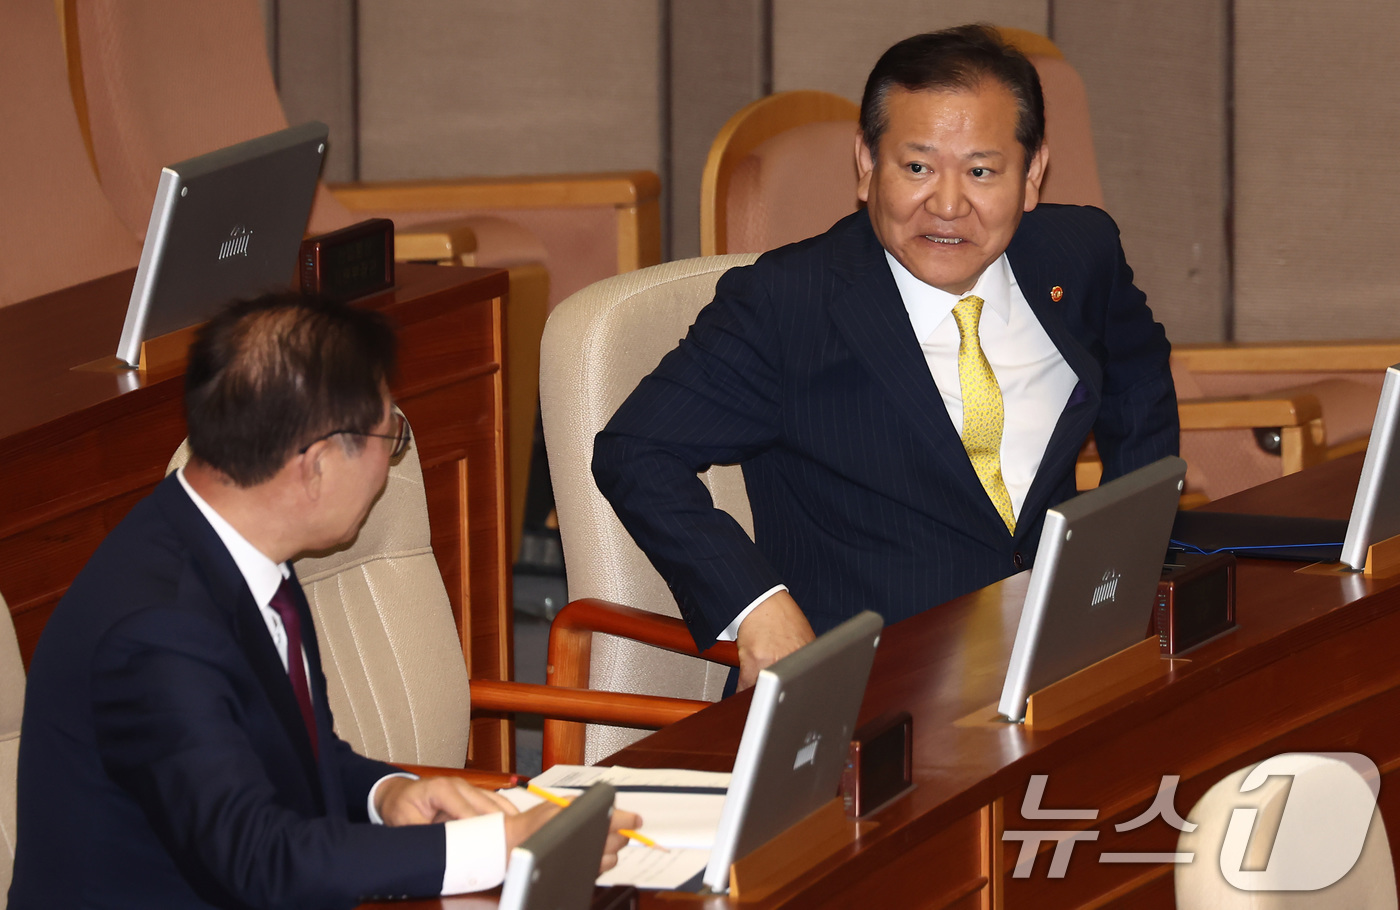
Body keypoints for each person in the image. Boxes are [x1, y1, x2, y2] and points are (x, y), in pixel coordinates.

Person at [593, 25, 1178, 691]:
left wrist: (1130, 547)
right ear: (868, 168)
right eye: (918, 167)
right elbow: (635, 451)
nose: (949, 205)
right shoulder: (789, 305)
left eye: (982, 171)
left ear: (1032, 173)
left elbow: (1139, 373)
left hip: (1059, 668)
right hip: (874, 696)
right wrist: (756, 606)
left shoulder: (1078, 254)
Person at [8, 294, 636, 909]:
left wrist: (386, 795)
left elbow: (294, 754)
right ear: (312, 467)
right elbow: (259, 860)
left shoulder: (235, 545)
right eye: (385, 436)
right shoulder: (154, 631)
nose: (391, 465)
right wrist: (487, 850)